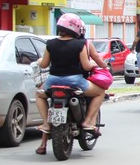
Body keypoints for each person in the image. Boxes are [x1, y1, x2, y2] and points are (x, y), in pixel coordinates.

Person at [35, 13, 107, 154]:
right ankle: (87, 122)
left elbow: (44, 64)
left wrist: (39, 61)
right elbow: (86, 66)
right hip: (74, 82)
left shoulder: (51, 43)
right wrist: (93, 65)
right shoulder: (80, 44)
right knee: (100, 92)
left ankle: (45, 123)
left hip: (53, 81)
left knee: (39, 95)